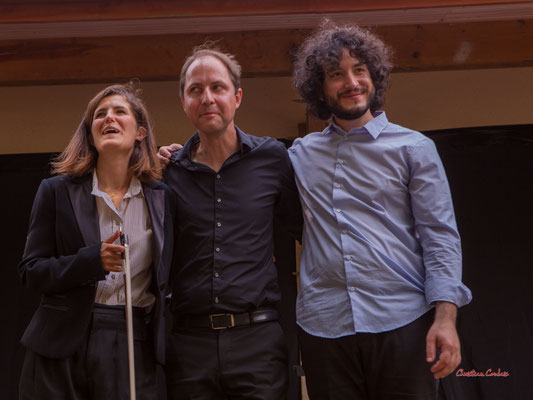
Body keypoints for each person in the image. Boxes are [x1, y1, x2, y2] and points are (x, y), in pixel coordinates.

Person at [289, 22, 472, 399]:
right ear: (320, 89)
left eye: (359, 70)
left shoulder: (414, 149)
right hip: (324, 328)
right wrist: (178, 153)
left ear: (374, 75)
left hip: (403, 322)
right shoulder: (299, 155)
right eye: (336, 75)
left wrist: (446, 318)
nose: (351, 82)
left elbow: (439, 237)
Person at [159, 44, 301, 399]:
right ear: (184, 101)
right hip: (189, 344)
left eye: (217, 87)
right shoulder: (168, 171)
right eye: (196, 90)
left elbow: (307, 232)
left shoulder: (273, 158)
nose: (207, 98)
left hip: (258, 340)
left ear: (237, 96)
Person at [18, 83, 176, 399]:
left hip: (133, 339)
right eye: (99, 115)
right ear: (91, 135)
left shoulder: (163, 199)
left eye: (119, 112)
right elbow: (31, 272)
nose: (108, 118)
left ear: (141, 132)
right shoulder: (56, 191)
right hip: (60, 344)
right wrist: (91, 262)